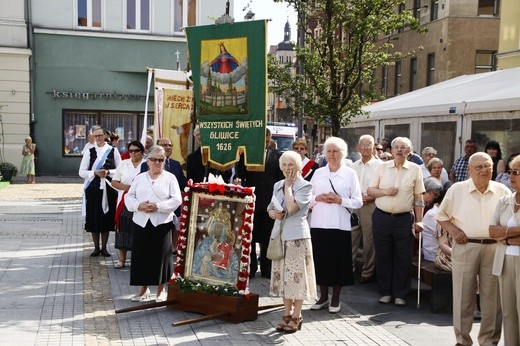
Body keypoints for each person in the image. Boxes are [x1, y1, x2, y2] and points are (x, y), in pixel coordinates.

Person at [437, 152, 511, 346]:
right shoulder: (457, 190)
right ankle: (462, 340)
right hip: (465, 245)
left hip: (495, 247)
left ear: (493, 168)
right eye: (478, 167)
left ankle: (489, 341)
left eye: (487, 166)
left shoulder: (503, 190)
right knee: (463, 295)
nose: (484, 170)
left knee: (492, 298)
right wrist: (453, 231)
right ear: (469, 170)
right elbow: (441, 215)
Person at [367, 137, 425, 306]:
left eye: (403, 147)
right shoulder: (381, 168)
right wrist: (385, 192)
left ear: (409, 151)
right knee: (383, 255)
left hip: (404, 218)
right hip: (382, 217)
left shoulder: (415, 169)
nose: (399, 150)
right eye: (396, 147)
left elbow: (419, 197)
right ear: (391, 151)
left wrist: (419, 221)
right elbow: (370, 190)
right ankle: (385, 292)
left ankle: (400, 294)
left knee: (403, 256)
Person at [309, 137, 362, 313]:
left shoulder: (350, 174)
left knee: (339, 262)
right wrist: (319, 198)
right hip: (318, 223)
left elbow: (358, 201)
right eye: (329, 151)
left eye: (335, 151)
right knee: (321, 261)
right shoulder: (318, 173)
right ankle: (323, 297)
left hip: (340, 225)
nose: (331, 155)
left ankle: (335, 298)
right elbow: (307, 199)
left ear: (342, 153)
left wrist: (340, 200)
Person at [125, 145, 182, 302]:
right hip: (141, 222)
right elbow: (129, 197)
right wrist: (139, 206)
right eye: (154, 159)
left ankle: (161, 290)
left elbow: (177, 199)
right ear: (147, 161)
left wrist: (159, 206)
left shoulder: (170, 178)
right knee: (141, 255)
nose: (158, 163)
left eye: (161, 160)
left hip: (161, 223)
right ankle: (143, 290)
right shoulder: (140, 177)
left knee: (161, 257)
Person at [268, 151, 316, 333]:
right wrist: (274, 214)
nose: (288, 168)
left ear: (298, 166)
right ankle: (286, 315)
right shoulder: (277, 184)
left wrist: (288, 187)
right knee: (283, 279)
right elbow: (270, 208)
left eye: (291, 165)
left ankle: (296, 316)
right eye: (285, 165)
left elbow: (291, 207)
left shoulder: (305, 185)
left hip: (297, 238)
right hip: (280, 236)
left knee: (297, 278)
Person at [236, 128, 283, 278]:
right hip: (252, 201)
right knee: (250, 236)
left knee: (268, 237)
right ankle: (250, 267)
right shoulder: (248, 155)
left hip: (269, 202)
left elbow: (280, 179)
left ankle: (266, 267)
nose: (266, 144)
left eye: (268, 141)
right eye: (263, 141)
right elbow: (241, 174)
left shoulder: (277, 155)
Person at [489, 156, 520, 345]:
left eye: (516, 172)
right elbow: (492, 231)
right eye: (510, 171)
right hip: (505, 260)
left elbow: (499, 231)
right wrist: (511, 235)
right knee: (508, 312)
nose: (511, 176)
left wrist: (504, 234)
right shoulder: (505, 200)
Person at [79, 126, 121, 257]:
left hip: (109, 188)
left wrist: (108, 172)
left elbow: (120, 169)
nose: (98, 138)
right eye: (95, 136)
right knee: (94, 217)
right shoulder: (89, 151)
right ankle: (96, 247)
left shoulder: (113, 150)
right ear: (93, 137)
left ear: (105, 136)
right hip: (93, 188)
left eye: (100, 135)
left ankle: (105, 248)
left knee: (106, 218)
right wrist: (95, 173)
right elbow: (81, 172)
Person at [142, 137, 187, 253]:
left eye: (169, 145)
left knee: (171, 232)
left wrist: (196, 187)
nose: (167, 147)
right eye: (164, 145)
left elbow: (183, 183)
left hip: (171, 207)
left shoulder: (176, 165)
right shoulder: (144, 165)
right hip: (151, 209)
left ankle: (172, 249)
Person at [351, 135, 381, 283]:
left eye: (368, 145)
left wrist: (371, 197)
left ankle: (367, 272)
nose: (365, 148)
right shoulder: (353, 166)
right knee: (351, 238)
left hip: (371, 205)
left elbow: (383, 188)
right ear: (358, 147)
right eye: (363, 145)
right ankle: (349, 269)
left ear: (373, 147)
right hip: (355, 206)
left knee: (369, 241)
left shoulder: (380, 166)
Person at [111, 140, 145, 269]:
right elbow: (114, 182)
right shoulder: (123, 164)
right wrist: (127, 188)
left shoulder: (147, 164)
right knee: (123, 230)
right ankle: (121, 260)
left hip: (140, 202)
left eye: (136, 151)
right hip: (124, 201)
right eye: (131, 151)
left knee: (138, 230)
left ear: (142, 151)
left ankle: (138, 259)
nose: (133, 153)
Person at [421, 178, 444, 262]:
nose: (435, 197)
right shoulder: (432, 213)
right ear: (426, 191)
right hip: (431, 252)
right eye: (434, 194)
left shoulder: (430, 206)